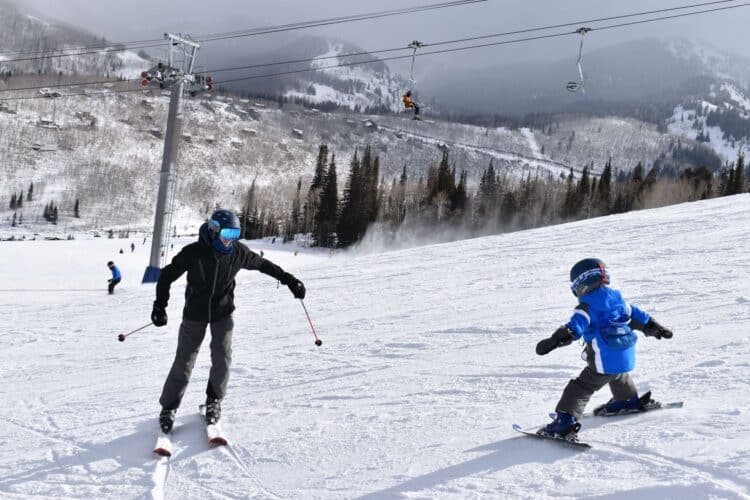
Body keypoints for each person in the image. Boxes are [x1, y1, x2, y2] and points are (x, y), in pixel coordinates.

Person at [151, 209, 306, 434]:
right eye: (227, 233)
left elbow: (264, 265)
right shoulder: (193, 252)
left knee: (222, 357)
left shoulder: (238, 253)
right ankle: (169, 408)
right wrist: (159, 305)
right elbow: (166, 276)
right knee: (184, 361)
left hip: (223, 313)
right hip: (194, 314)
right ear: (214, 231)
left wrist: (289, 280)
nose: (230, 239)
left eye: (235, 234)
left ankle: (214, 401)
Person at [535, 258, 673, 437]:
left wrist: (555, 340)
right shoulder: (618, 301)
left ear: (581, 284)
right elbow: (639, 317)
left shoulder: (586, 307)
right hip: (625, 355)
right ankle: (627, 400)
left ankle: (565, 421)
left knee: (580, 387)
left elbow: (575, 327)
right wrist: (655, 328)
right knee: (617, 374)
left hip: (604, 358)